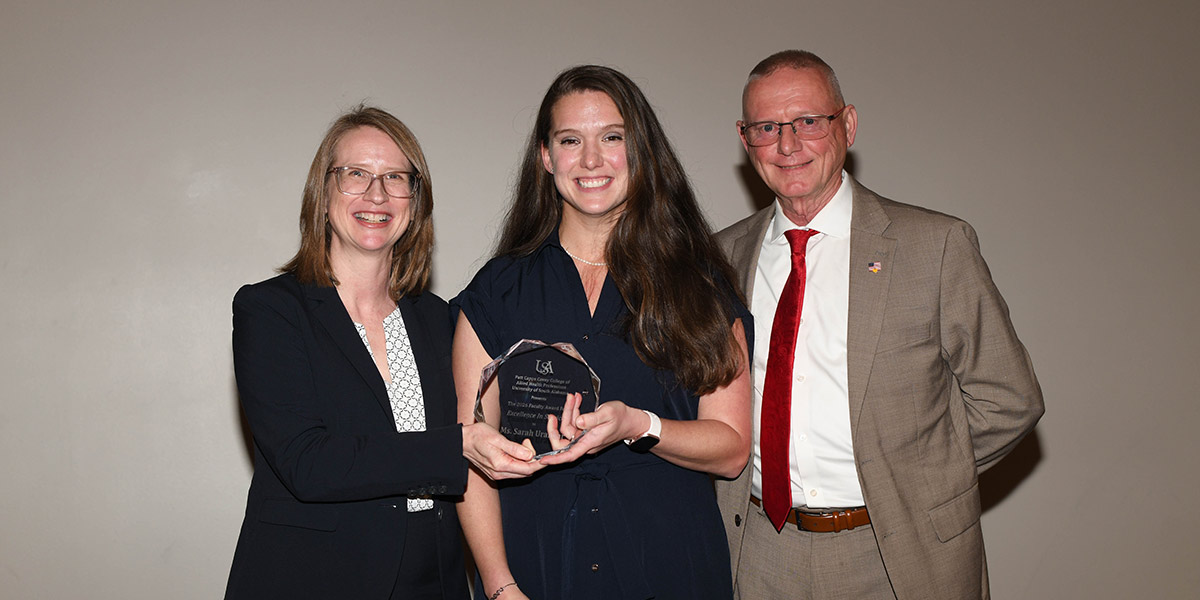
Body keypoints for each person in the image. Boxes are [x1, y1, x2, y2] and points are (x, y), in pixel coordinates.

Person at [714, 50, 1045, 599]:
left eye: (808, 123)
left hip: (894, 555)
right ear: (745, 139)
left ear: (847, 125)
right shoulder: (720, 258)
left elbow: (1008, 399)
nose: (787, 145)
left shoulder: (935, 246)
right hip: (757, 554)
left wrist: (918, 483)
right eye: (767, 127)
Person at [451, 65, 752, 600]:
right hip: (535, 574)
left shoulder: (698, 283)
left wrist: (639, 425)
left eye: (612, 137)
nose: (591, 160)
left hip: (670, 569)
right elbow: (468, 453)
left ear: (640, 149)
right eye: (571, 140)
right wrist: (500, 587)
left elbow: (730, 450)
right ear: (547, 157)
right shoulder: (497, 290)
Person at [225, 106, 540, 600]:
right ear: (323, 193)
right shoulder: (270, 310)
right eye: (356, 175)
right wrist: (455, 445)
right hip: (311, 579)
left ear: (415, 200)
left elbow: (483, 431)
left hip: (432, 579)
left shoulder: (441, 321)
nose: (377, 194)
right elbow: (307, 463)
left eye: (395, 177)